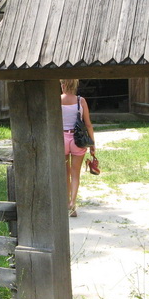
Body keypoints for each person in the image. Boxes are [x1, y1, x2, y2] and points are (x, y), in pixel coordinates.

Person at [60, 79, 95, 217]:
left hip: (62, 138)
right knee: (75, 174)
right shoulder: (81, 101)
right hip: (78, 139)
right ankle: (72, 204)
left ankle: (66, 202)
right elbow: (88, 124)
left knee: (65, 173)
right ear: (75, 85)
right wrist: (92, 144)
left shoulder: (57, 100)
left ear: (63, 85)